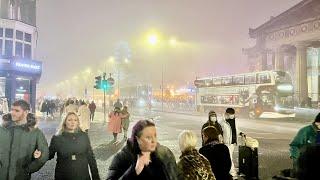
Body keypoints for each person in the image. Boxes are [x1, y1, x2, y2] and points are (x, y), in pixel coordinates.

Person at [107, 120, 178, 180]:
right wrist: (134, 171)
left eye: (155, 136)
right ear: (138, 139)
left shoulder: (166, 154)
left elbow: (175, 176)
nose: (154, 140)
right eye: (148, 137)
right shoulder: (122, 157)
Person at [0, 100, 49, 180]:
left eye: (17, 111)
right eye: (12, 109)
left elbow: (44, 154)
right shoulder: (2, 129)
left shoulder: (36, 133)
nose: (12, 113)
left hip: (21, 176)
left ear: (26, 112)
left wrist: (28, 169)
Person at [49, 112, 100, 180]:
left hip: (82, 175)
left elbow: (91, 157)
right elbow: (49, 154)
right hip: (63, 175)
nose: (73, 122)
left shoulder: (84, 136)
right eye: (69, 120)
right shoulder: (57, 138)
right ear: (64, 122)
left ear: (78, 122)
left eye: (75, 120)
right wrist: (39, 153)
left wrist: (96, 177)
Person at [219, 108, 242, 179]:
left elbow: (236, 129)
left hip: (233, 143)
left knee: (229, 157)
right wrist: (221, 141)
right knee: (229, 157)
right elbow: (220, 133)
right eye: (230, 114)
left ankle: (227, 171)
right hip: (226, 143)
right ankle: (233, 173)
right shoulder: (222, 122)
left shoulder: (235, 121)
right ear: (226, 114)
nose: (231, 116)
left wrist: (241, 133)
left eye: (232, 114)